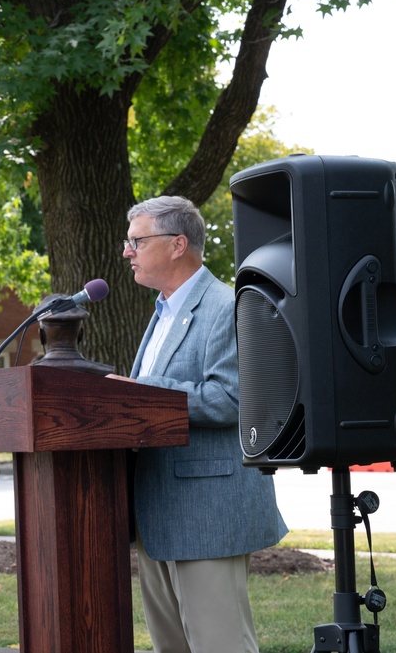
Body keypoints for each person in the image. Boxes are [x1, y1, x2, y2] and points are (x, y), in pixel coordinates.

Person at [107, 196, 287, 653]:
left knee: (220, 645)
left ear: (176, 244)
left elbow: (229, 399)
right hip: (157, 513)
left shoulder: (227, 306)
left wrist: (140, 393)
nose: (127, 251)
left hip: (207, 512)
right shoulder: (161, 313)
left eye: (136, 241)